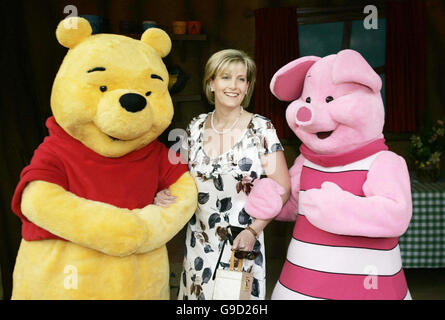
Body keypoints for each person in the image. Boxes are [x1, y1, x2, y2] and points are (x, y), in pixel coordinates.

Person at [154, 49, 290, 300]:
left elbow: (282, 186)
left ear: (248, 86)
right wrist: (164, 192)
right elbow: (179, 176)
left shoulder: (261, 128)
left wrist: (254, 231)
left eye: (241, 79)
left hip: (243, 242)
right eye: (226, 77)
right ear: (211, 83)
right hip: (198, 242)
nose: (234, 85)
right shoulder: (195, 127)